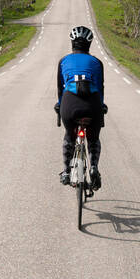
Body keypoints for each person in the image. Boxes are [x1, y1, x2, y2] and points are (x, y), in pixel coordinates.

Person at [54, 25, 107, 189]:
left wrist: (59, 106)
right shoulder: (97, 62)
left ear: (72, 43)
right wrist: (102, 106)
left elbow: (60, 89)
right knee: (93, 138)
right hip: (93, 104)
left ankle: (66, 171)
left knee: (69, 137)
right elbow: (100, 88)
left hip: (70, 104)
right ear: (89, 44)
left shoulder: (63, 61)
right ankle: (93, 168)